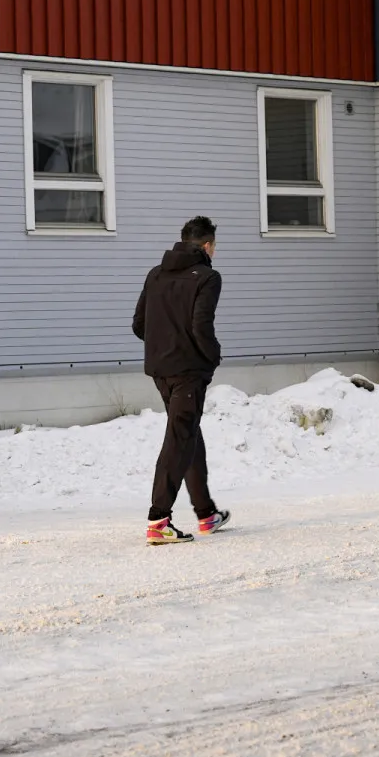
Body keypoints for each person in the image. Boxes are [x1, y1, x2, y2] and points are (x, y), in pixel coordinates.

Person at [132, 216, 229, 545]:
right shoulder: (207, 277)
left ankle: (205, 513)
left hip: (161, 370)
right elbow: (201, 326)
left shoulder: (156, 274)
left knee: (186, 433)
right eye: (214, 246)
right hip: (189, 372)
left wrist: (164, 345)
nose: (214, 252)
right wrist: (212, 355)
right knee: (179, 438)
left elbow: (139, 325)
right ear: (206, 245)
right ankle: (158, 519)